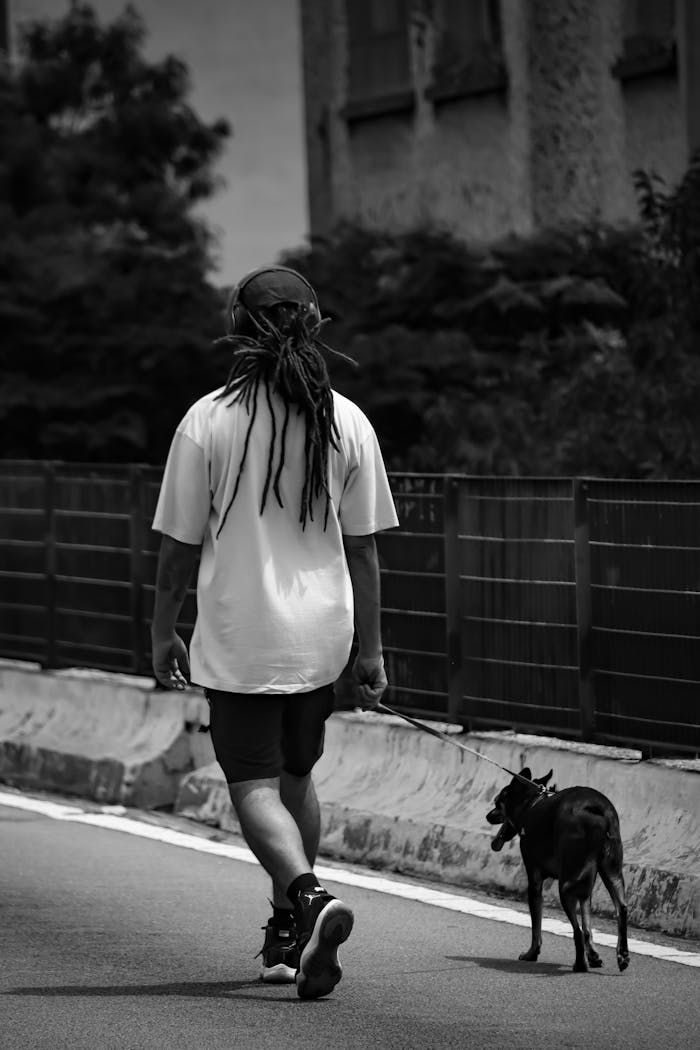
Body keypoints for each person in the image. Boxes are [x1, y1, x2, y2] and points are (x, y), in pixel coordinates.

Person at [150, 265, 398, 999]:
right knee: (297, 778)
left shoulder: (209, 418)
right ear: (317, 326)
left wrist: (163, 629)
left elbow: (177, 548)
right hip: (322, 639)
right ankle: (288, 934)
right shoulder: (346, 419)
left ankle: (309, 899)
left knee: (253, 787)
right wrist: (374, 650)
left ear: (238, 330)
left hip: (241, 639)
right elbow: (365, 548)